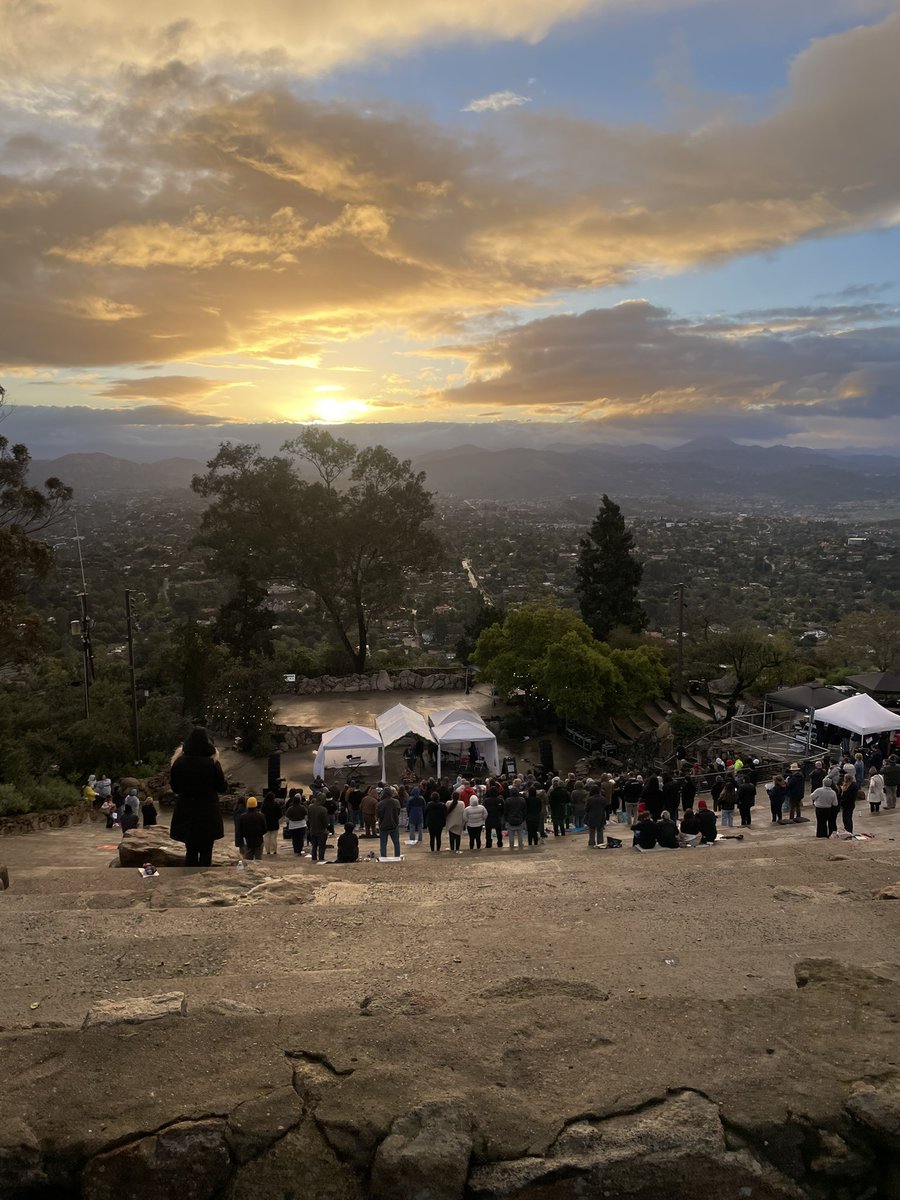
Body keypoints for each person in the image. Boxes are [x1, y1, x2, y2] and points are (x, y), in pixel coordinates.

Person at [169, 726, 228, 867]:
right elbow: (222, 788)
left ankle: (189, 880)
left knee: (190, 851)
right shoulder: (212, 763)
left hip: (186, 812)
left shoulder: (179, 762)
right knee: (207, 851)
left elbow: (175, 788)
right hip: (208, 812)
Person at [377, 786, 401, 858]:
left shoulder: (380, 804)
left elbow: (377, 815)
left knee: (383, 844)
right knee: (396, 843)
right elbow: (398, 812)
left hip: (383, 825)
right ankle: (397, 856)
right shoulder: (396, 802)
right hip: (394, 824)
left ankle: (383, 857)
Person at [307, 792, 331, 862]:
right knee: (322, 846)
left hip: (312, 829)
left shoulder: (310, 807)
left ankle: (314, 858)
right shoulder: (323, 810)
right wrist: (327, 827)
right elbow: (325, 823)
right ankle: (321, 858)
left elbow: (309, 819)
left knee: (314, 846)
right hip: (321, 831)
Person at [483, 783, 505, 848]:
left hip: (488, 818)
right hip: (497, 818)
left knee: (488, 833)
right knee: (499, 832)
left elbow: (484, 810)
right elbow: (503, 809)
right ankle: (500, 843)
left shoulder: (486, 800)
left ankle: (488, 844)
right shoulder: (500, 800)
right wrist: (500, 815)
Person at [261, 791, 283, 856]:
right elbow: (280, 814)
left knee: (267, 837)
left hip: (266, 824)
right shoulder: (276, 804)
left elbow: (262, 814)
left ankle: (268, 851)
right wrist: (276, 818)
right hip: (275, 823)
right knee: (274, 838)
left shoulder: (264, 805)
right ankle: (274, 850)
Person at [840, 769, 858, 834]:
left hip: (848, 804)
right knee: (846, 818)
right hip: (848, 804)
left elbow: (848, 796)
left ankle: (849, 831)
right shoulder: (850, 785)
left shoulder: (852, 787)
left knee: (847, 819)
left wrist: (841, 801)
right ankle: (847, 830)